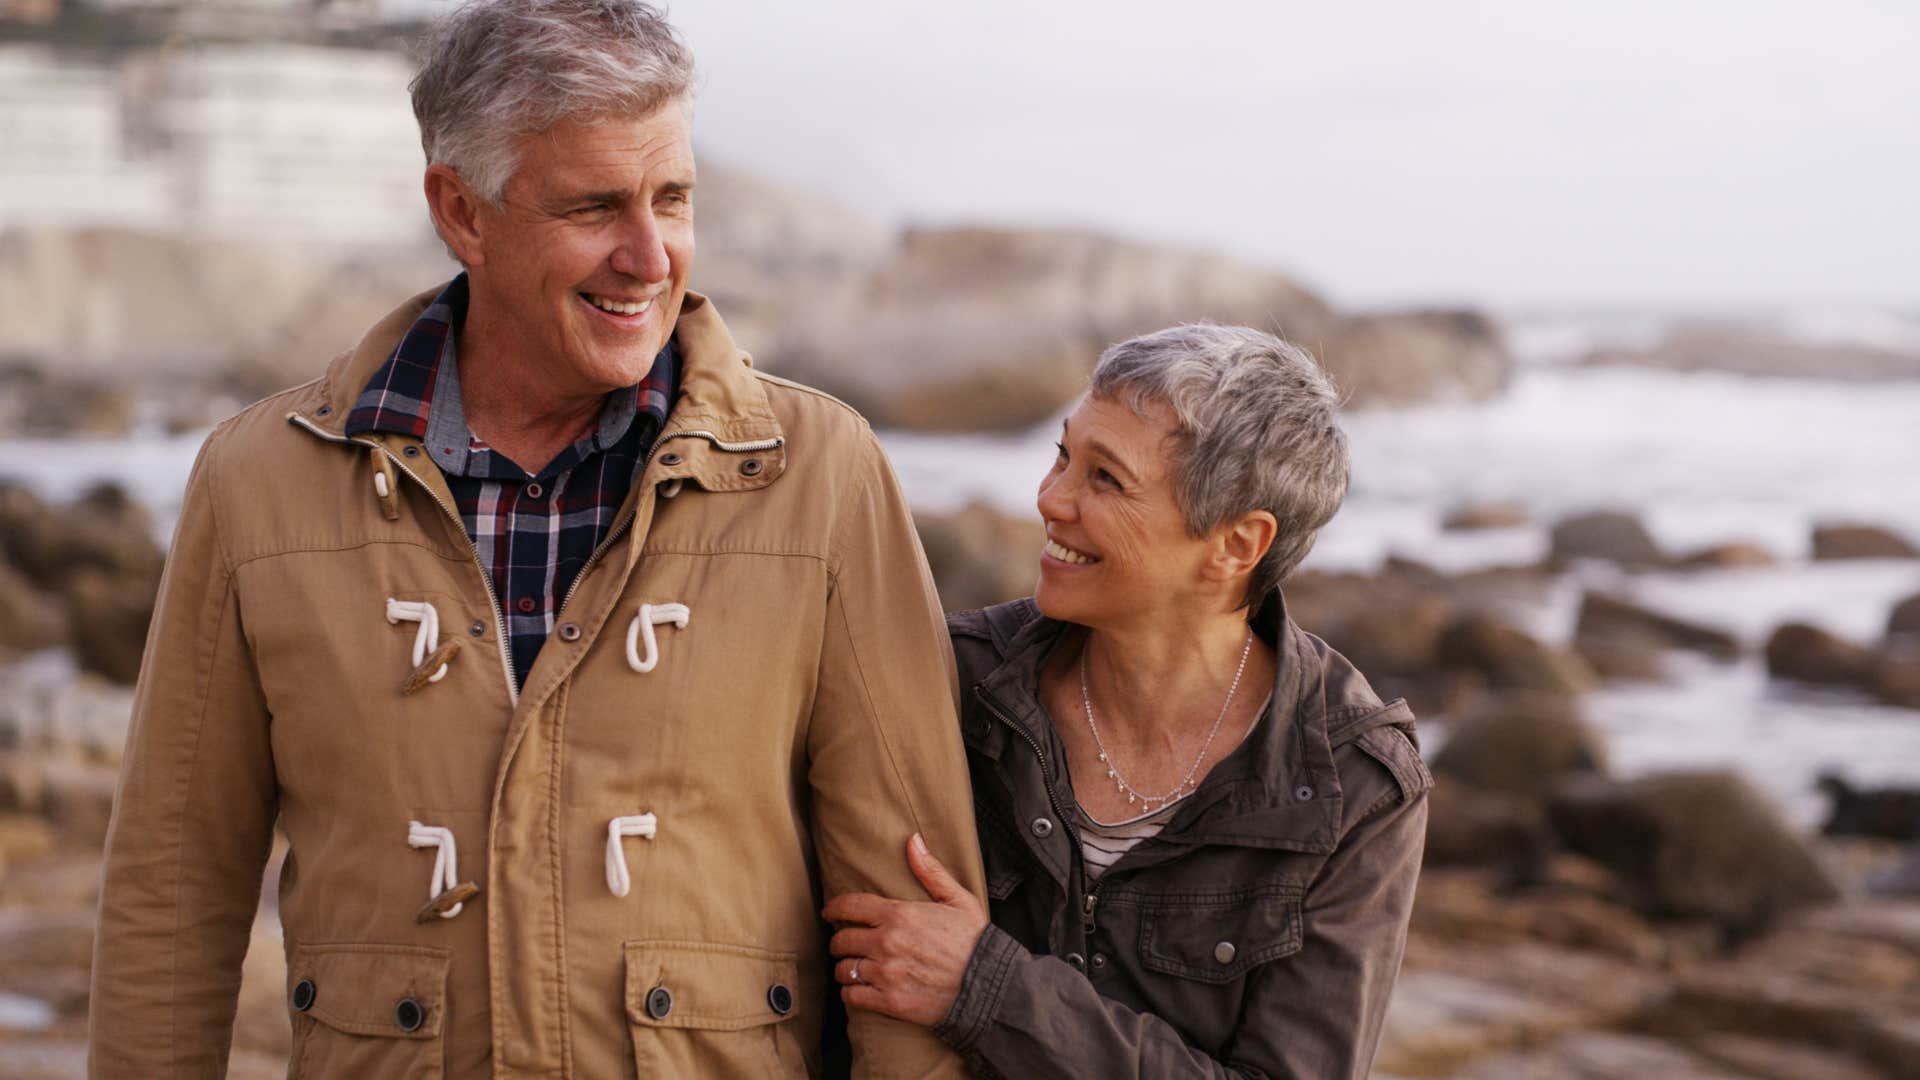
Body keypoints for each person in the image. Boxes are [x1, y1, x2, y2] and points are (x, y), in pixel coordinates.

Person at [86, 1, 984, 1076]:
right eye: (596, 205)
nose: (651, 257)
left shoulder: (822, 474)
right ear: (462, 213)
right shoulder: (255, 484)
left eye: (673, 199)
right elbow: (172, 889)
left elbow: (906, 913)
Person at [822, 324, 1430, 1078]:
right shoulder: (956, 676)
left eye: (1105, 478)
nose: (1051, 499)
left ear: (1238, 545)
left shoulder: (1355, 787)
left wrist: (990, 989)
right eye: (1061, 455)